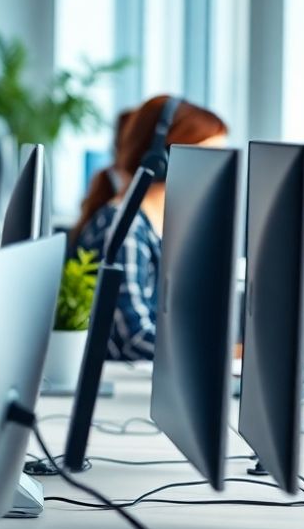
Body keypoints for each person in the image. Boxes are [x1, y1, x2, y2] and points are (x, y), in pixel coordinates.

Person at [72, 95, 228, 361]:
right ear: (162, 160)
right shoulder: (125, 225)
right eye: (209, 159)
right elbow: (135, 338)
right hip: (121, 392)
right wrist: (216, 357)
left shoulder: (166, 225)